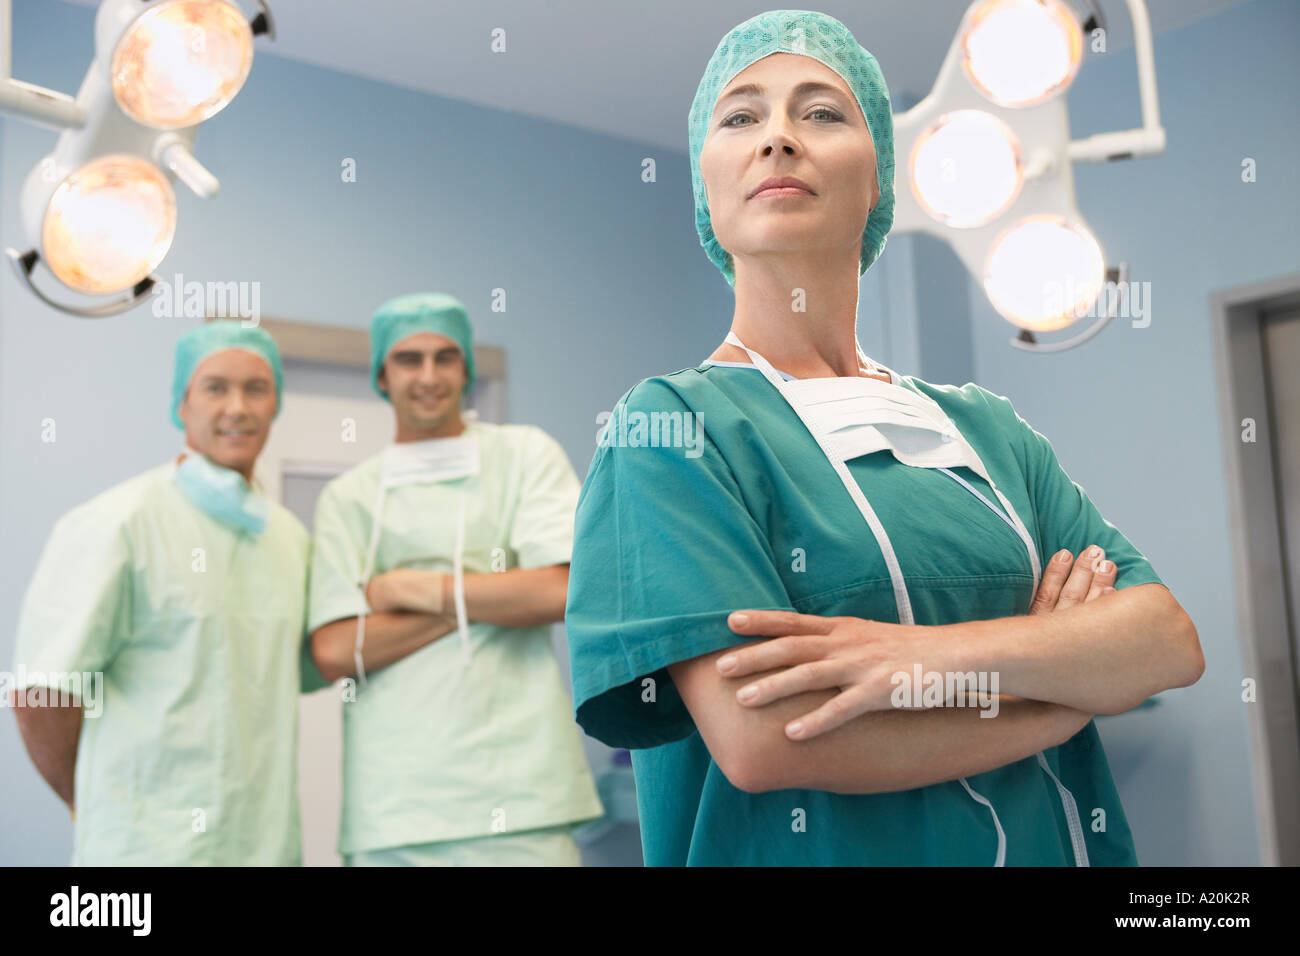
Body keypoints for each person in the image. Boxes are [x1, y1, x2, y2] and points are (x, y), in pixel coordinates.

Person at [564, 10, 1204, 866]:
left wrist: (910, 660)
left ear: (880, 185)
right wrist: (1062, 691)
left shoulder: (988, 427)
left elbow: (1163, 640)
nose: (779, 139)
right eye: (741, 117)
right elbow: (770, 740)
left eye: (822, 112)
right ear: (706, 187)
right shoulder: (672, 430)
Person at [10, 320, 326, 865]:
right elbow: (42, 695)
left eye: (257, 388)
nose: (238, 408)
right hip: (142, 856)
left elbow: (315, 665)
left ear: (275, 404)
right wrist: (90, 800)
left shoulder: (288, 538)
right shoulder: (116, 524)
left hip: (265, 848)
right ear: (181, 404)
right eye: (215, 387)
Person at [308, 292, 603, 866]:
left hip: (521, 796)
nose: (428, 375)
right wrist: (489, 594)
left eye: (445, 357)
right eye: (408, 359)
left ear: (467, 369)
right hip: (394, 806)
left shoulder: (523, 454)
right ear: (381, 375)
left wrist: (414, 589)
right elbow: (336, 650)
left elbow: (563, 589)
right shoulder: (349, 498)